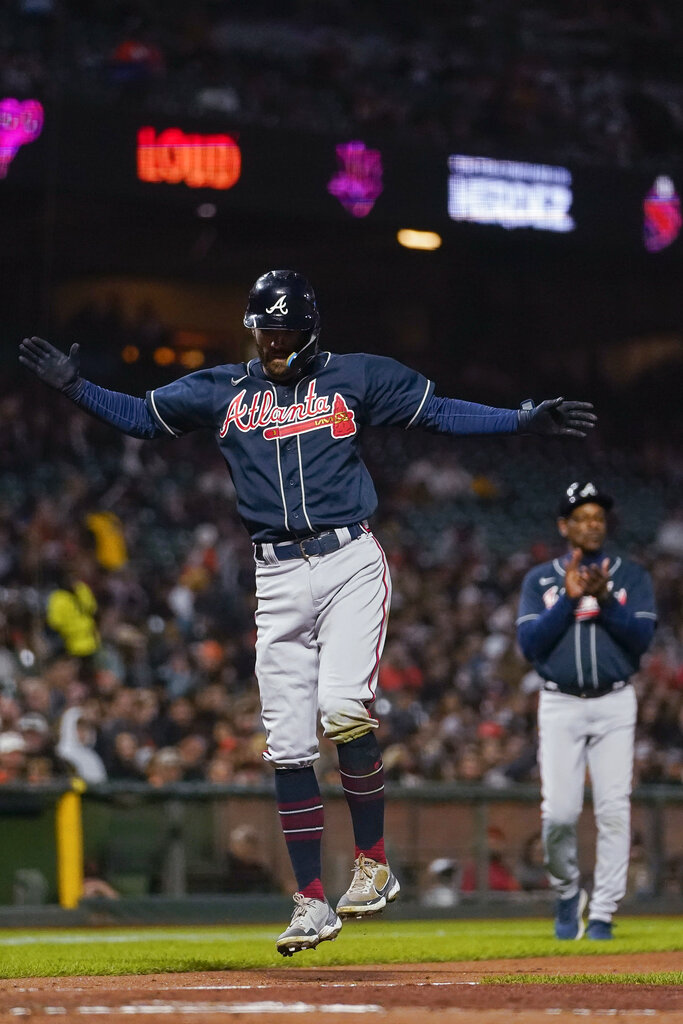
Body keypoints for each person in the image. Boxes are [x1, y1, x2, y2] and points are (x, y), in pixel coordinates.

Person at [20, 269, 596, 955]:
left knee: (344, 712)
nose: (273, 344)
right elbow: (144, 420)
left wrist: (521, 419)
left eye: (286, 332)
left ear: (311, 330)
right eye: (266, 331)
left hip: (348, 559)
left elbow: (440, 411)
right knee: (288, 745)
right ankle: (310, 903)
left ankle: (373, 865)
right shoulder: (221, 388)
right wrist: (75, 389)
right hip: (275, 576)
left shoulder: (357, 375)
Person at [516, 481, 657, 941]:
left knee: (615, 811)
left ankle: (601, 912)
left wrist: (606, 604)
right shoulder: (540, 579)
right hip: (559, 702)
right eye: (581, 517)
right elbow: (529, 646)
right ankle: (566, 891)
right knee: (558, 813)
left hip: (615, 700)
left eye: (598, 517)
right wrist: (571, 599)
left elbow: (641, 641)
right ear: (564, 526)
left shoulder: (631, 576)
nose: (592, 524)